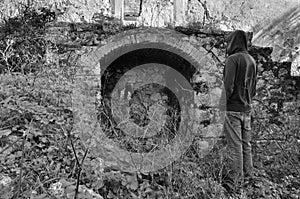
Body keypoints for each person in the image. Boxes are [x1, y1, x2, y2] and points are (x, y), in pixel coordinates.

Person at [222, 30, 257, 194]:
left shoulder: (232, 59)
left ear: (233, 42)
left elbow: (228, 87)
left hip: (232, 109)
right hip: (247, 109)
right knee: (246, 146)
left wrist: (220, 103)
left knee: (235, 147)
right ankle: (249, 180)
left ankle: (234, 183)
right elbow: (254, 90)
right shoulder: (252, 60)